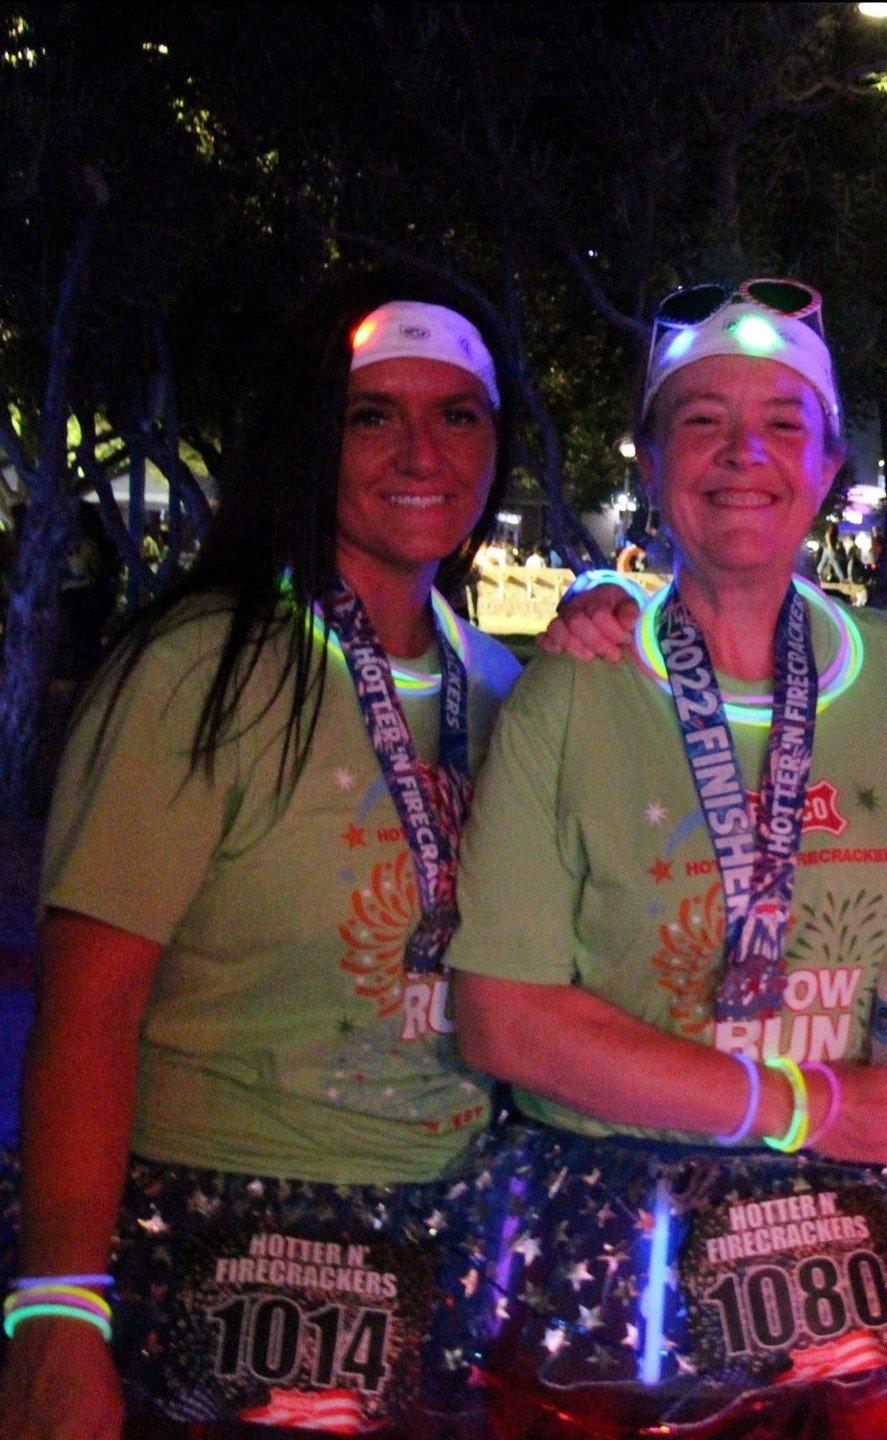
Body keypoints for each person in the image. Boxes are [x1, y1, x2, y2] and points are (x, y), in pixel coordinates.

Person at [0, 274, 521, 1438]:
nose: (419, 451)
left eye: (459, 414)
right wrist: (55, 1310)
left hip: (448, 1256)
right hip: (221, 1250)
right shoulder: (200, 668)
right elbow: (85, 1012)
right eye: (371, 414)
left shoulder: (503, 690)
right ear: (306, 437)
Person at [448, 279, 887, 1437]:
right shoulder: (574, 689)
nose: (745, 455)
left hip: (858, 1239)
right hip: (622, 1237)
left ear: (828, 467)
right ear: (653, 460)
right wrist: (800, 1106)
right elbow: (504, 1024)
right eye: (702, 421)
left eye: (785, 423)